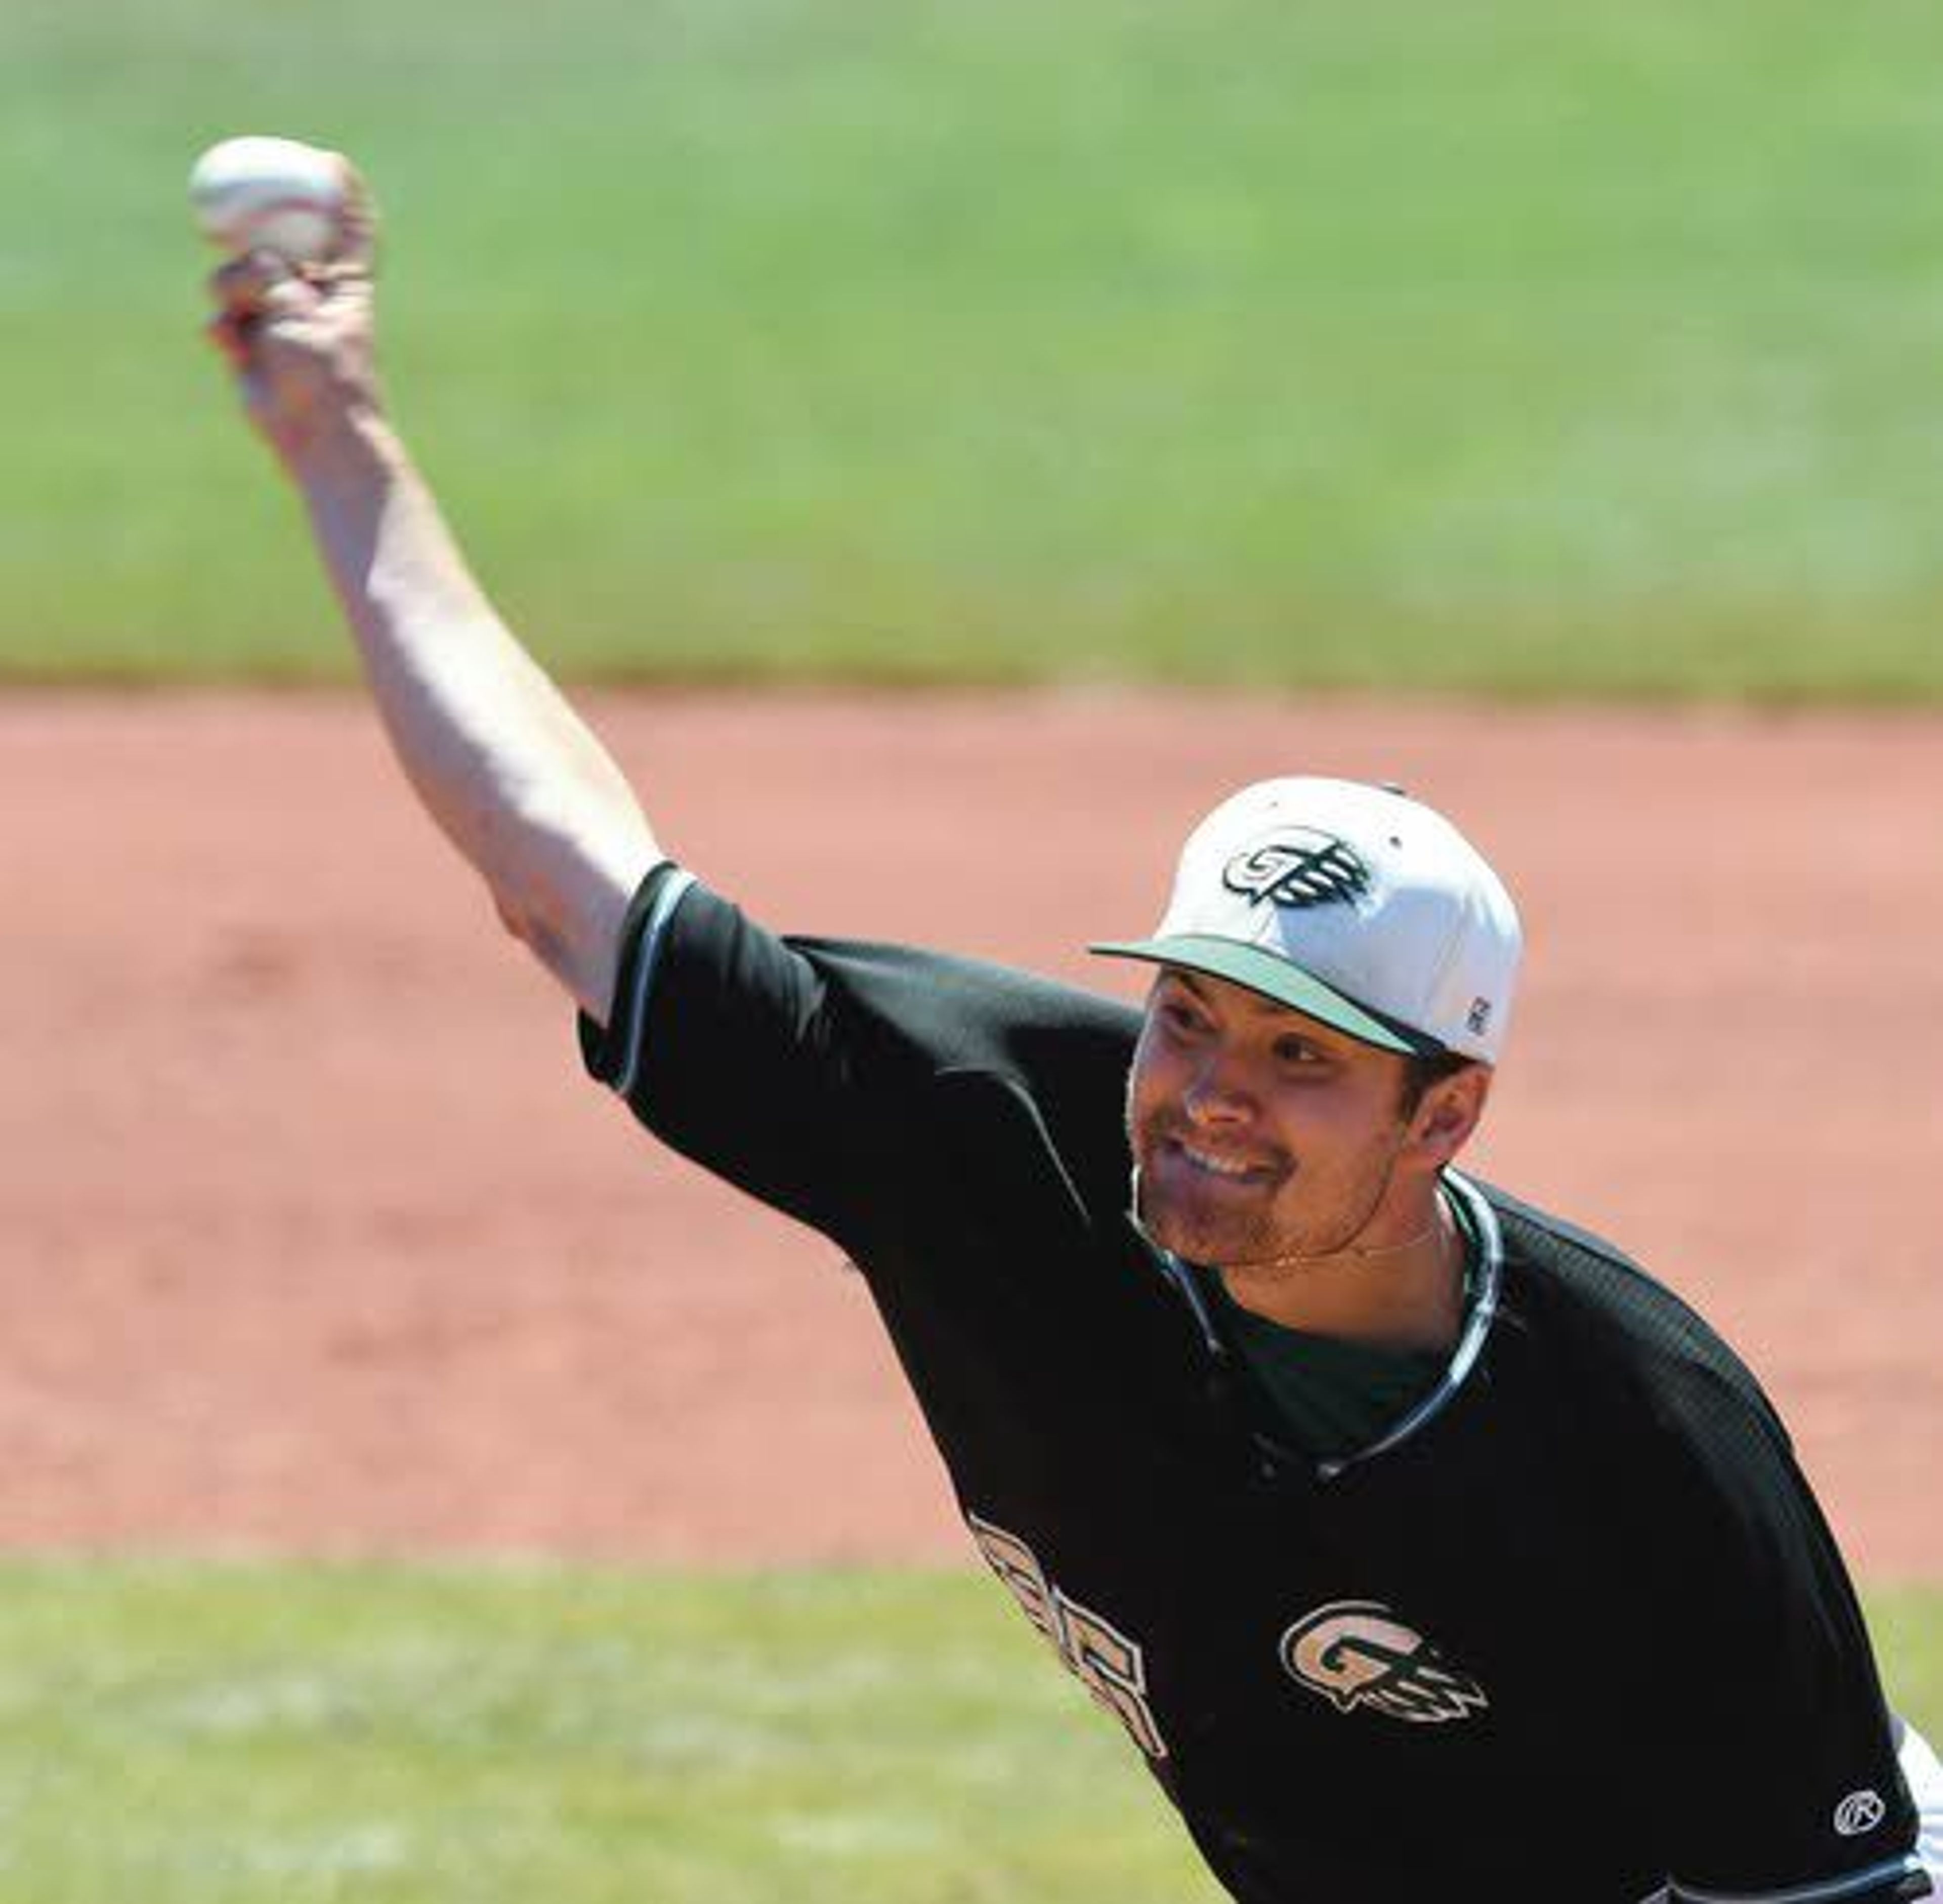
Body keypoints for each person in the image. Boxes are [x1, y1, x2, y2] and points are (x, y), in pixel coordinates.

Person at [204, 172, 1943, 1904]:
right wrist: (336, 436)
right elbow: (574, 888)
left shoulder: (1640, 1435)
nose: (1211, 1100)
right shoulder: (989, 1142)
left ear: (1445, 1114)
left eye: (1304, 1058)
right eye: (1191, 1018)